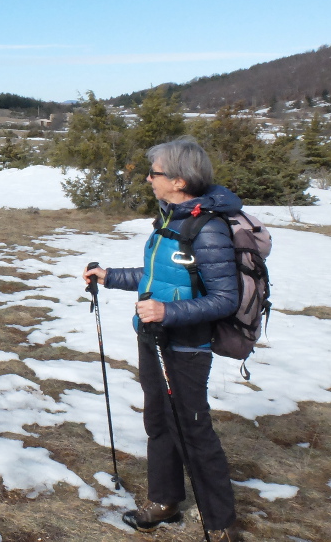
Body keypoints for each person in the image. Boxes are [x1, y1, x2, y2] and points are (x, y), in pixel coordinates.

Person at [82, 138, 242, 541]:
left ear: (180, 181)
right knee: (158, 421)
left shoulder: (209, 231)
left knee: (193, 430)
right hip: (154, 340)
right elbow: (159, 277)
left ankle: (220, 524)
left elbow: (225, 299)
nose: (149, 179)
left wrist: (167, 312)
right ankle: (165, 500)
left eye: (155, 173)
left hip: (187, 348)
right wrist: (111, 276)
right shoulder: (170, 220)